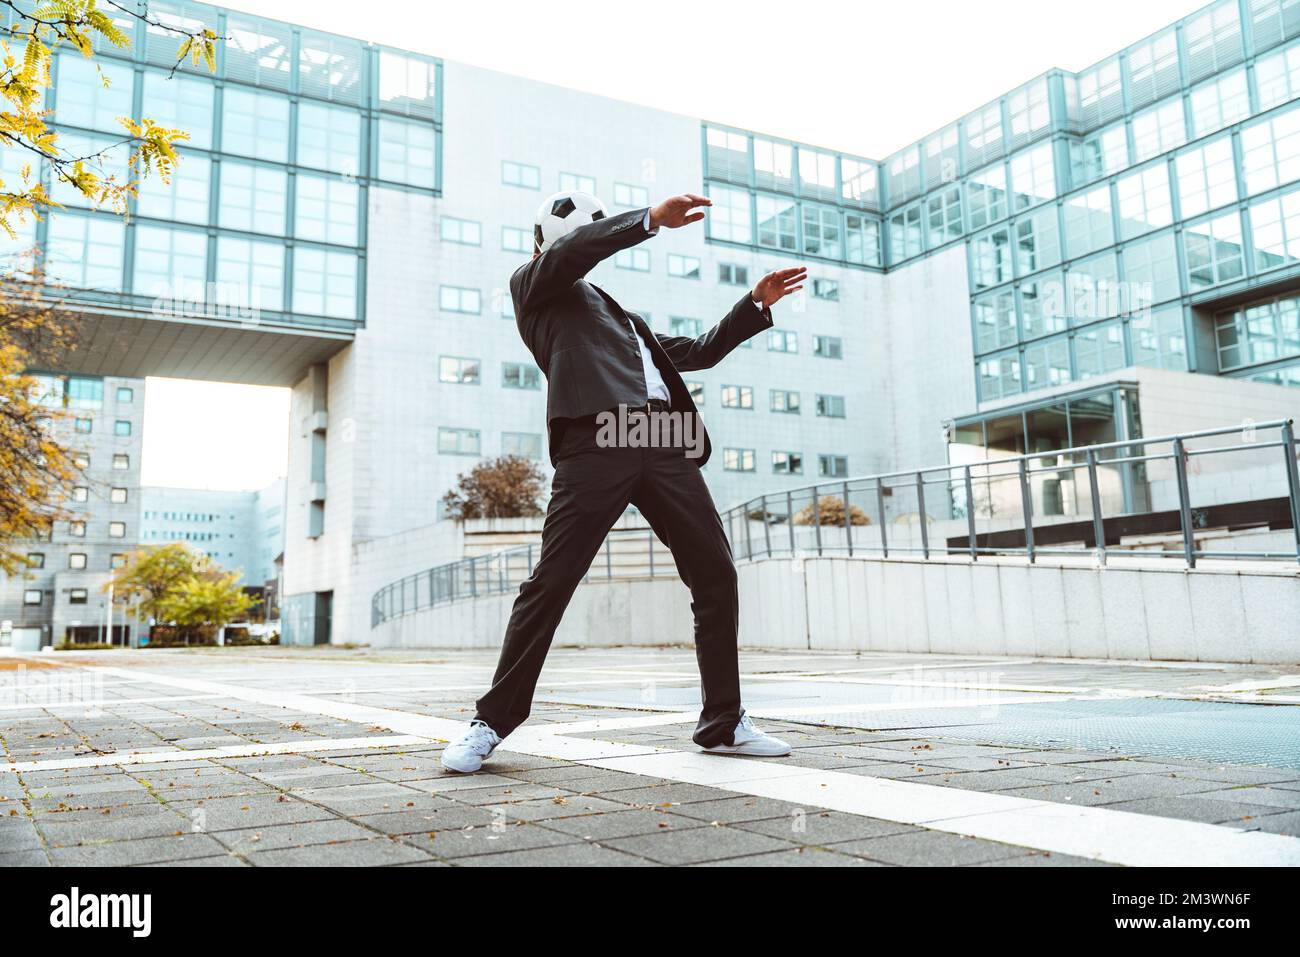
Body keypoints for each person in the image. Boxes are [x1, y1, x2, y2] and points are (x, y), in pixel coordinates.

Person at [442, 192, 807, 773]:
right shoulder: (533, 287)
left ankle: (723, 723)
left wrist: (752, 306)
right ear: (548, 243)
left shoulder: (624, 320)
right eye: (583, 235)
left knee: (715, 573)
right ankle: (491, 721)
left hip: (664, 445)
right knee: (553, 579)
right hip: (597, 440)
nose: (589, 243)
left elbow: (700, 353)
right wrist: (647, 221)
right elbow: (571, 256)